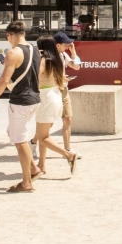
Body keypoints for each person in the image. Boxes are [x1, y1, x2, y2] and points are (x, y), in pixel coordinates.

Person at [0, 21, 40, 193]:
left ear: (10, 35)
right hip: (34, 99)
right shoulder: (34, 49)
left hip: (20, 101)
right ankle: (34, 168)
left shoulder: (12, 53)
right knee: (13, 132)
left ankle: (27, 182)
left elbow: (4, 81)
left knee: (19, 140)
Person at [33, 36, 78, 176]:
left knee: (43, 138)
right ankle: (41, 164)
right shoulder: (57, 59)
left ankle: (68, 155)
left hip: (46, 99)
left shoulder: (44, 60)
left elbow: (34, 75)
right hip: (55, 96)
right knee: (43, 134)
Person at [54, 31, 81, 151]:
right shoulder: (49, 57)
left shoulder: (64, 55)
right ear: (58, 45)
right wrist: (60, 78)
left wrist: (73, 52)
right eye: (66, 45)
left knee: (68, 118)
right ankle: (34, 142)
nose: (67, 47)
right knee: (47, 123)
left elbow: (76, 67)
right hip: (52, 91)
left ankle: (68, 150)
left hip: (64, 89)